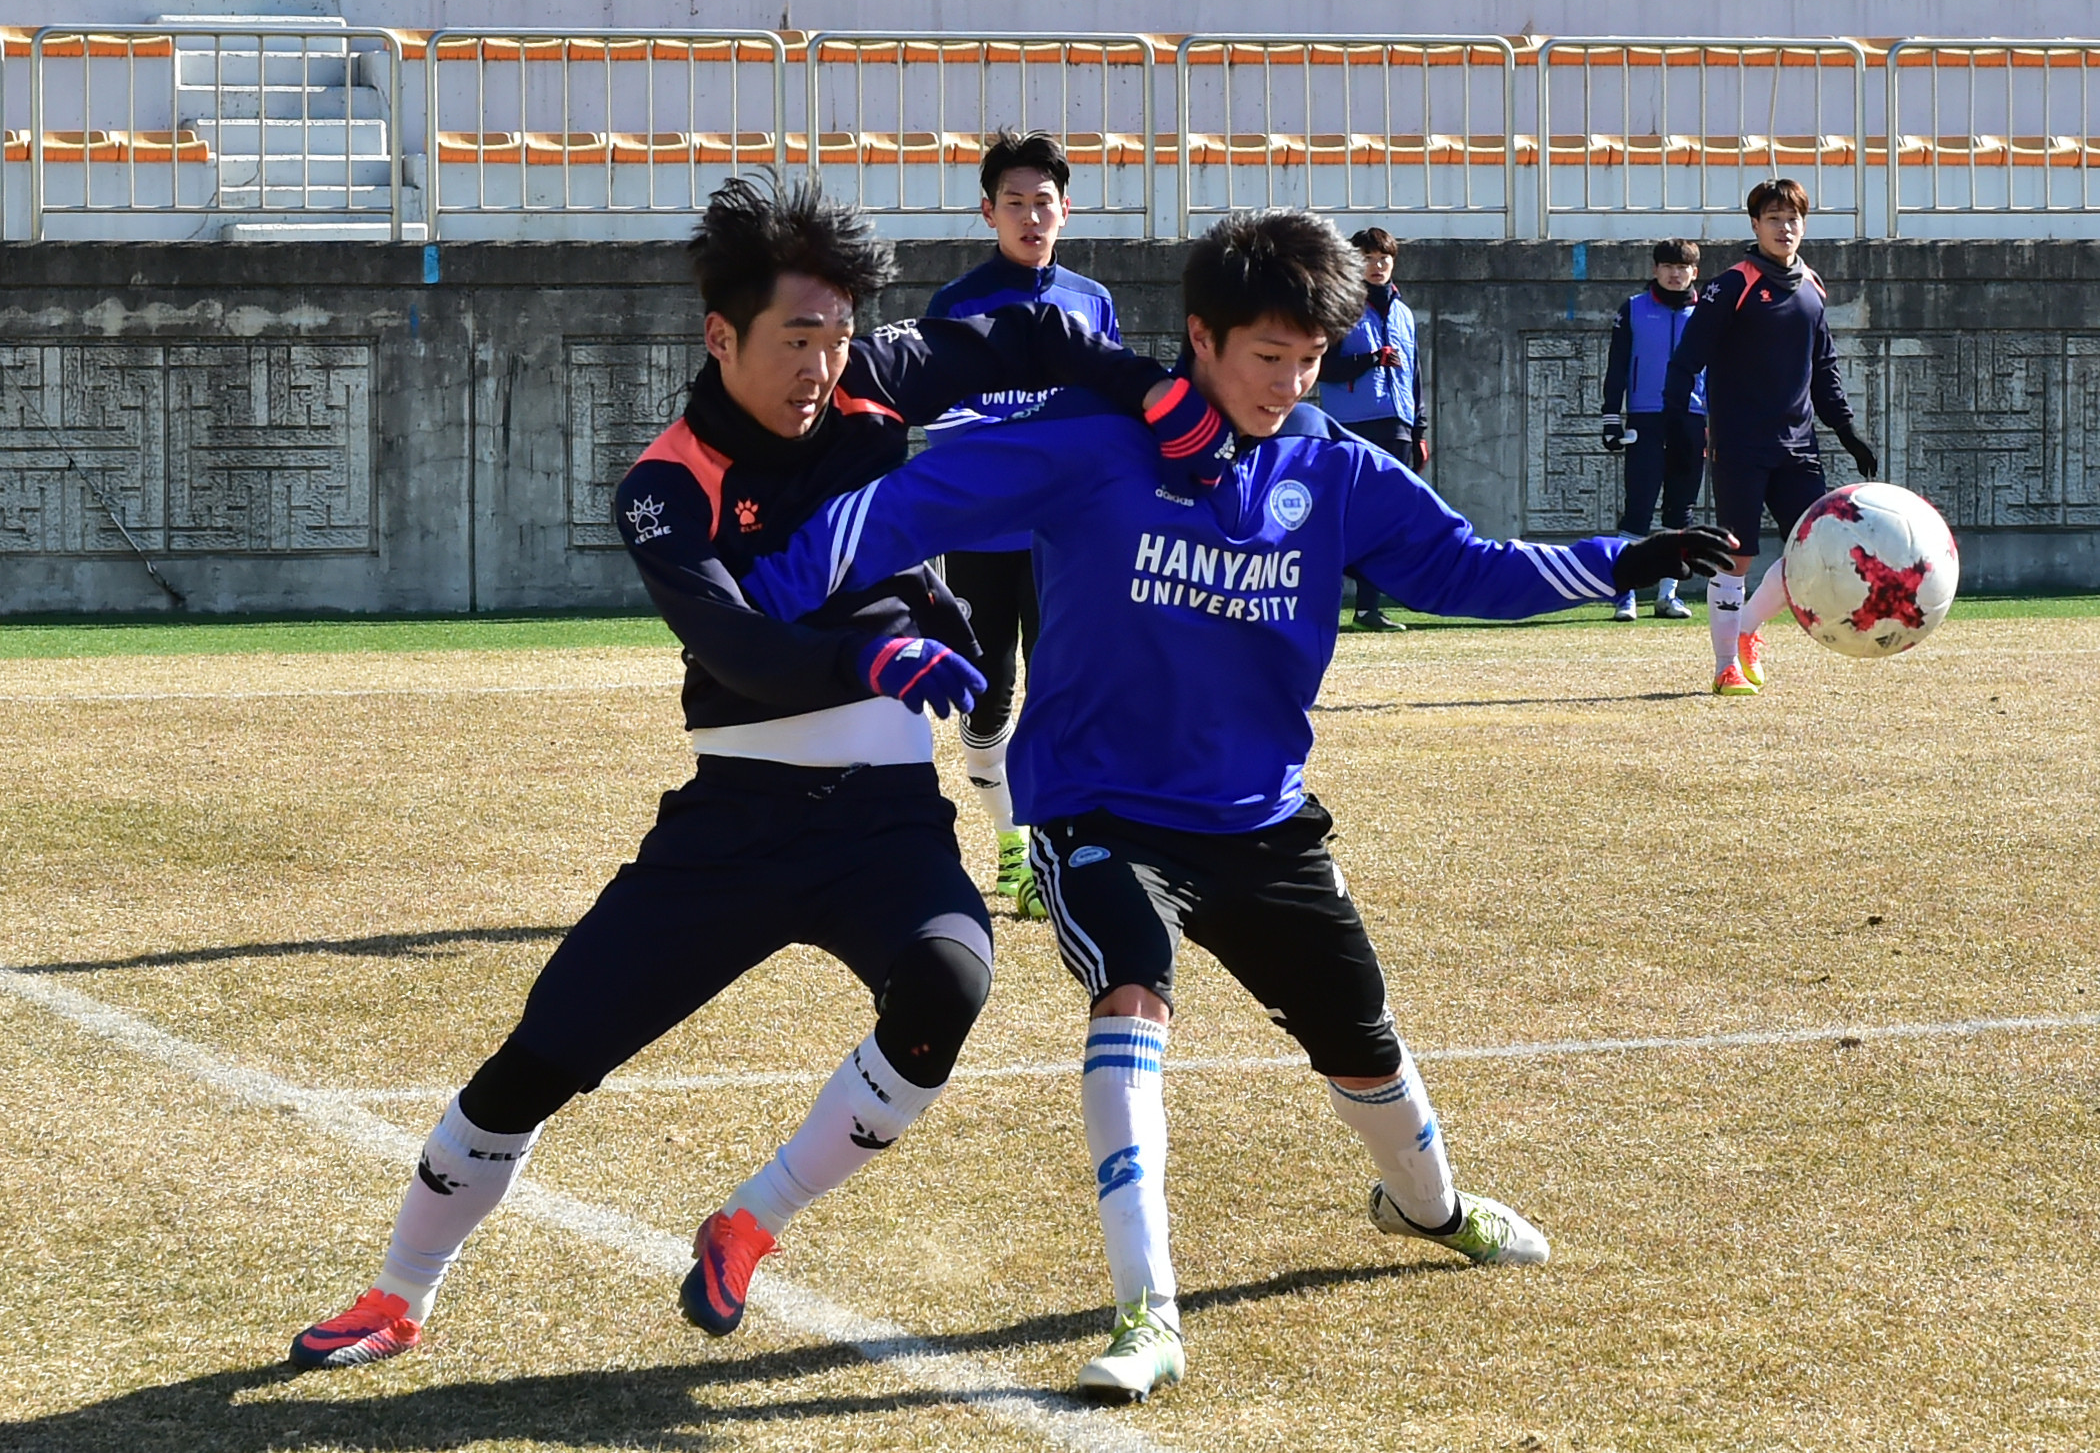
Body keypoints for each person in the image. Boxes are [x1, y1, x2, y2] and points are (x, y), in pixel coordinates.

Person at [738, 209, 1734, 1403]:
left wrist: (1620, 559)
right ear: (1200, 338)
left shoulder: (1331, 467)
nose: (1291, 382)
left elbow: (1466, 566)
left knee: (1360, 1049)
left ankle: (1432, 1209)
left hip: (1261, 817)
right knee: (1132, 983)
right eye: (1269, 356)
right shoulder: (1092, 442)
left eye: (1311, 360)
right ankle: (1148, 1314)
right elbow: (903, 508)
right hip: (1096, 803)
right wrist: (757, 594)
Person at [286, 176, 1199, 1370]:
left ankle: (749, 1223)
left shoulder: (875, 373)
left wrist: (1155, 392)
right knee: (543, 1056)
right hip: (733, 821)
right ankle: (401, 1290)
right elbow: (737, 649)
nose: (819, 367)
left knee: (948, 986)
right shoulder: (665, 484)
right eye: (793, 340)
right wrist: (870, 648)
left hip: (883, 820)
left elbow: (1026, 331)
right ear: (721, 336)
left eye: (833, 338)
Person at [924, 128, 1121, 918]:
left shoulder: (1092, 303)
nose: (1031, 216)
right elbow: (937, 417)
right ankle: (1009, 840)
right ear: (988, 211)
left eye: (1044, 202)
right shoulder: (957, 305)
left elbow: (1109, 414)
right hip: (981, 531)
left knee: (1063, 685)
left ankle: (1049, 849)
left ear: (1066, 210)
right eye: (1015, 203)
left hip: (1066, 538)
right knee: (989, 693)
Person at [1665, 178, 1878, 696]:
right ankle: (1724, 666)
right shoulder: (1731, 286)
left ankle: (1745, 633)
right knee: (1736, 554)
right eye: (1774, 218)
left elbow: (1823, 367)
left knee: (1810, 550)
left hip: (1799, 447)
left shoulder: (1812, 287)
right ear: (1755, 225)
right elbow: (1686, 361)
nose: (1786, 228)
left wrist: (1846, 429)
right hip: (1740, 443)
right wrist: (1678, 425)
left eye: (1794, 218)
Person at [1317, 226, 1427, 632]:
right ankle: (1321, 602)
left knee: (1385, 517)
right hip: (1350, 424)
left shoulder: (1403, 311)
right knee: (1342, 517)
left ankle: (1368, 607)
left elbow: (1414, 374)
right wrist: (1370, 360)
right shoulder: (1339, 308)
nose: (1377, 265)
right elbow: (1321, 370)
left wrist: (1419, 429)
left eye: (1384, 258)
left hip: (1396, 424)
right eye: (1368, 257)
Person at [1601, 239, 1707, 621]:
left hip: (1693, 418)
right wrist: (1611, 416)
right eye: (1667, 266)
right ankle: (1624, 595)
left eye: (1683, 267)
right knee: (1638, 509)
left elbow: (1725, 373)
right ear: (1655, 269)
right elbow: (1617, 367)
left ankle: (1668, 595)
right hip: (1645, 418)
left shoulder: (1709, 313)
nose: (1675, 273)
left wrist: (1720, 424)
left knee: (1680, 510)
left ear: (1695, 272)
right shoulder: (1632, 309)